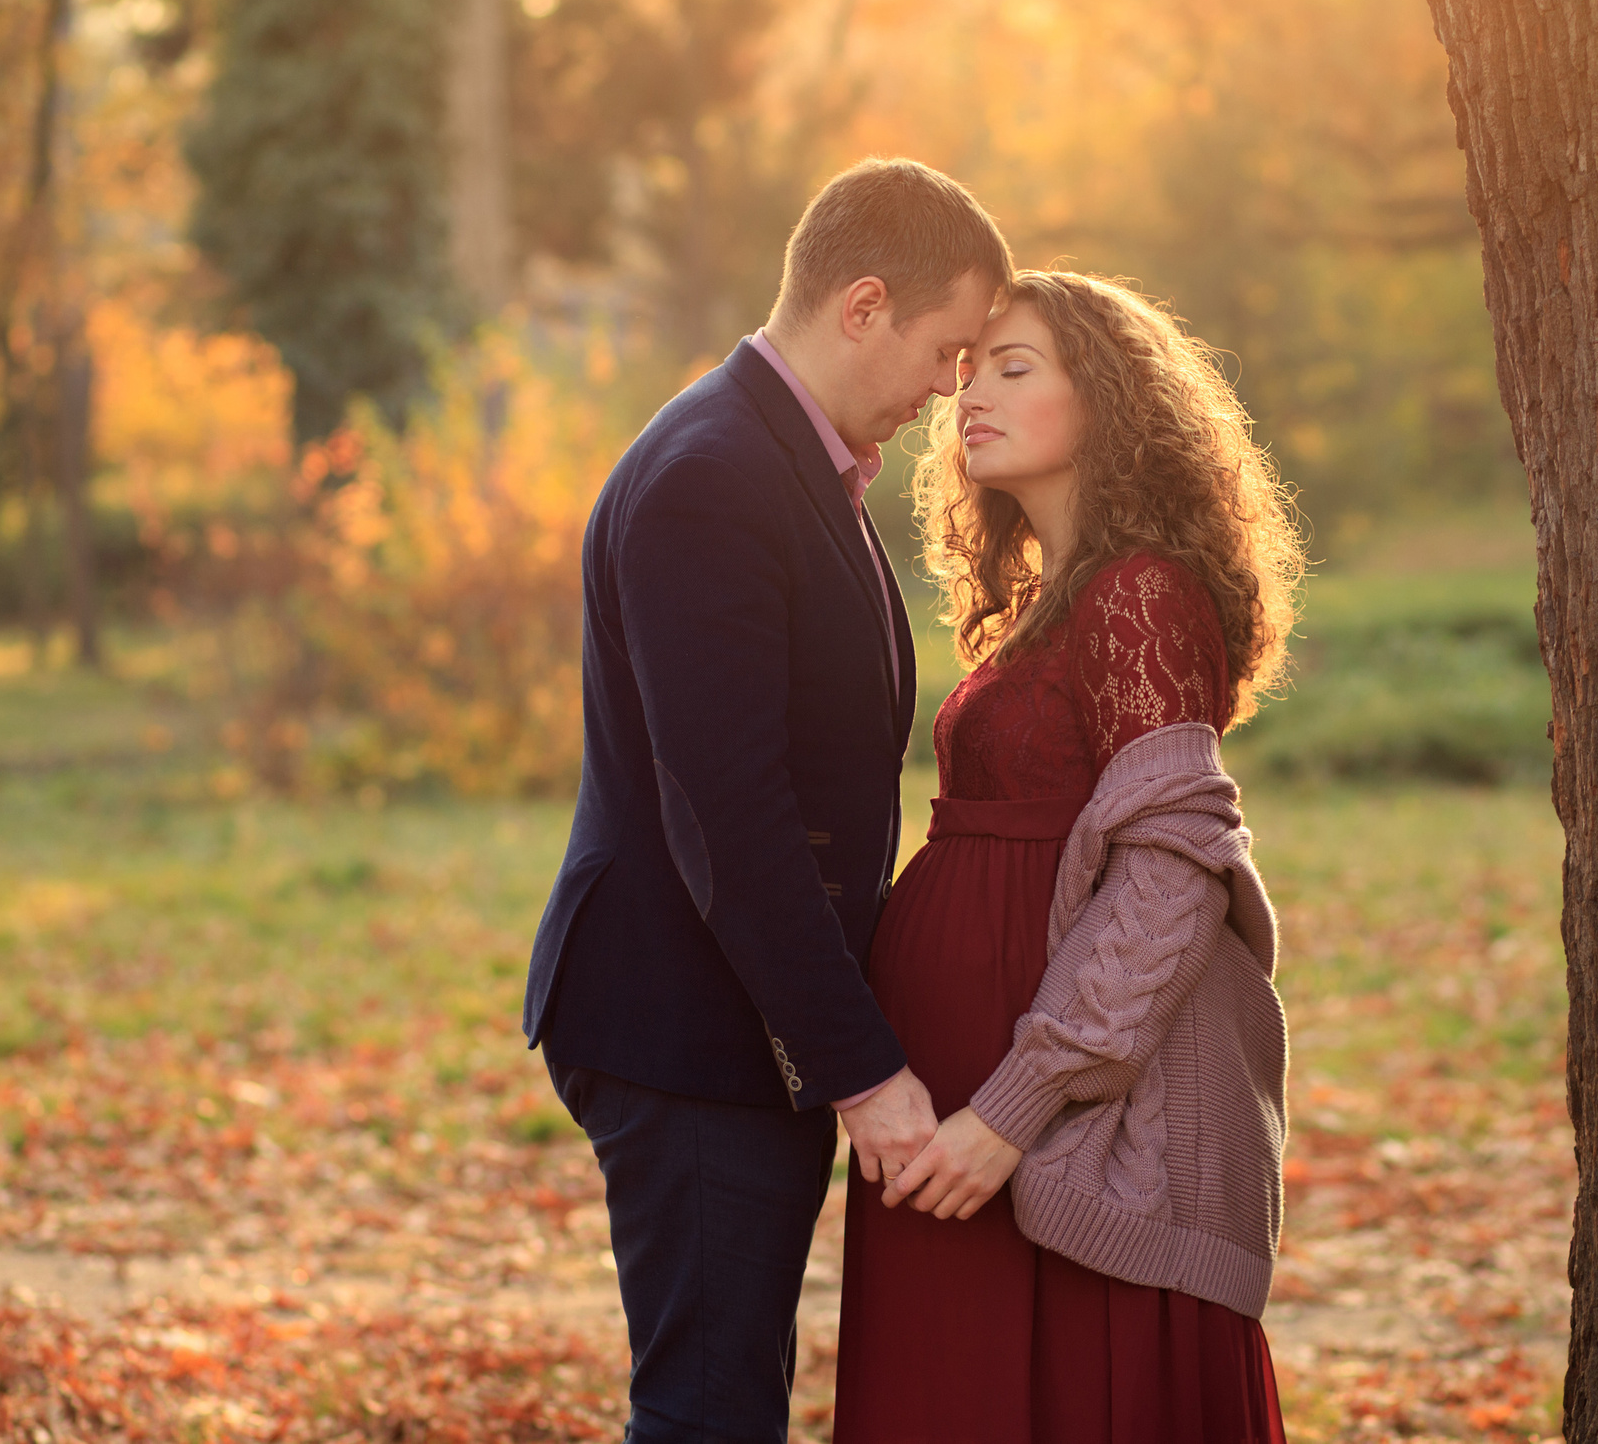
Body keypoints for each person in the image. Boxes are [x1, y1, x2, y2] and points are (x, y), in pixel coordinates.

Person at [522, 158, 1015, 1443]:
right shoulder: (711, 477)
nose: (948, 390)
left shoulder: (793, 464)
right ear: (863, 306)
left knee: (728, 1402)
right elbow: (729, 819)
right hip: (683, 1027)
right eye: (948, 349)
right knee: (706, 1416)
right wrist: (860, 1072)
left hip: (743, 1028)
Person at [835, 270, 1303, 1444]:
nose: (967, 395)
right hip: (960, 1080)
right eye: (967, 369)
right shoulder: (1054, 601)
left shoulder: (1142, 596)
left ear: (1104, 397)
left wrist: (1013, 1109)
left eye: (1013, 365)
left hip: (1038, 1105)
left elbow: (1172, 874)